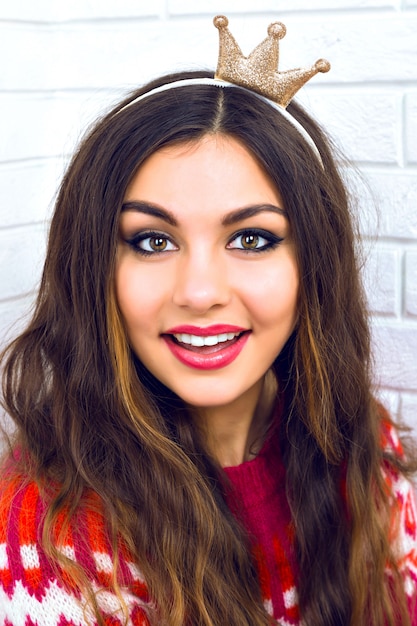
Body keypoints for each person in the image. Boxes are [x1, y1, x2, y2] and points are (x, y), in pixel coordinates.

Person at [0, 14, 416, 626]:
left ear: (314, 268)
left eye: (251, 239)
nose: (199, 292)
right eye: (150, 241)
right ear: (94, 269)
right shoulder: (52, 535)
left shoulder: (366, 448)